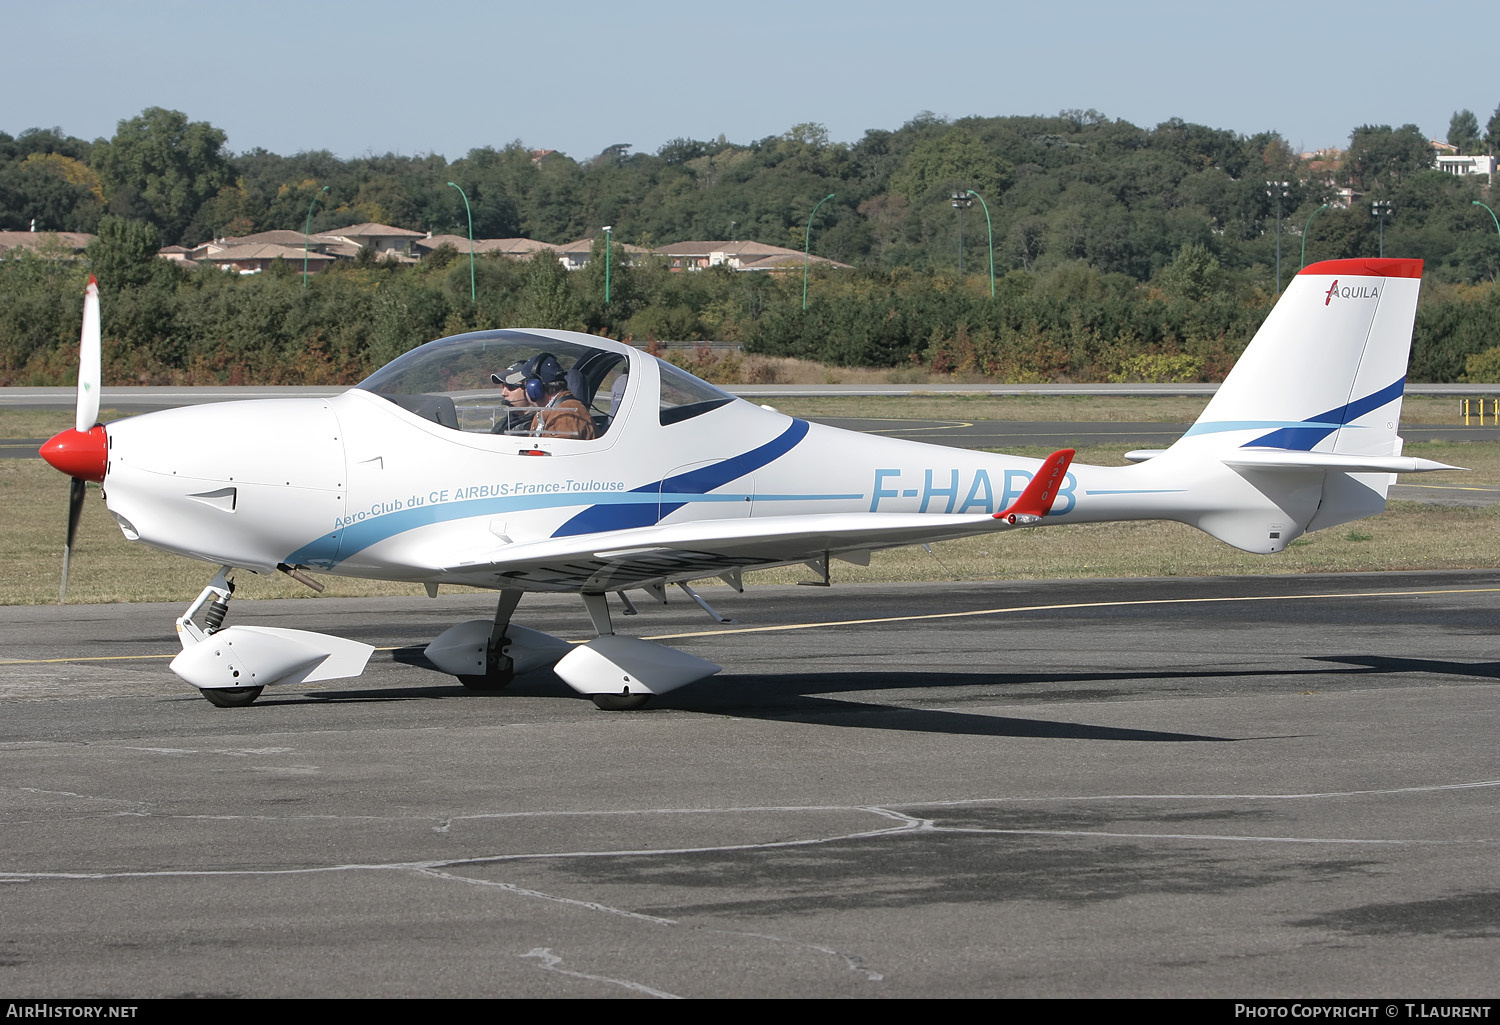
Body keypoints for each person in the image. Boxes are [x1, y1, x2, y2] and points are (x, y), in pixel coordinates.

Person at [514, 353, 596, 440]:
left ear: (534, 388)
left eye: (525, 386)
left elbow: (557, 451)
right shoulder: (544, 412)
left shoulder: (566, 416)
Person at [490, 359, 537, 434]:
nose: (503, 393)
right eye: (503, 386)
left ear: (531, 389)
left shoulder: (541, 426)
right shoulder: (505, 423)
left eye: (511, 386)